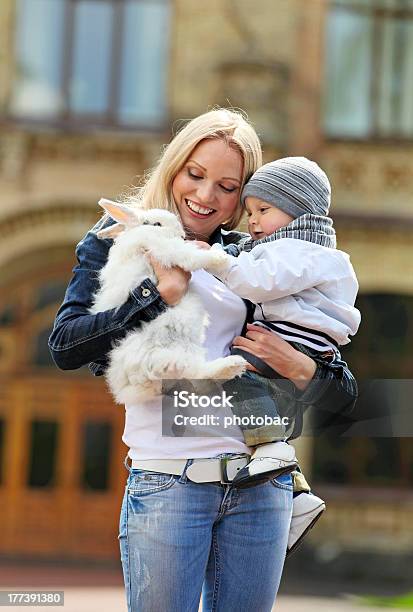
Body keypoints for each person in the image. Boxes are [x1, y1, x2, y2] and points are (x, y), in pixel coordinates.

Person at [48, 109, 358, 612]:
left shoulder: (253, 257)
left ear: (245, 196)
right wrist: (156, 294)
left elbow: (344, 395)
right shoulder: (128, 238)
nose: (206, 195)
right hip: (171, 480)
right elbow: (66, 347)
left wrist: (297, 365)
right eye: (195, 174)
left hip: (262, 486)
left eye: (228, 186)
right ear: (174, 169)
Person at [204, 157, 360, 490]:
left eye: (264, 210)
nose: (254, 222)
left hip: (295, 339)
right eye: (250, 213)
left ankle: (271, 448)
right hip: (310, 343)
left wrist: (214, 260)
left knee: (235, 373)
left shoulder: (296, 250)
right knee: (273, 400)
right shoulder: (309, 250)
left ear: (299, 211)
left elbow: (257, 281)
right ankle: (295, 486)